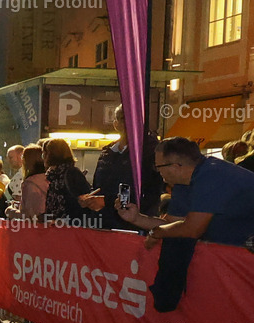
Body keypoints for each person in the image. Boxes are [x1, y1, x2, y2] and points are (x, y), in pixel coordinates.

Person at [125, 137, 254, 248]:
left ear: (175, 166)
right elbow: (172, 224)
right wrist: (136, 218)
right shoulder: (184, 182)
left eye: (158, 167)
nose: (158, 172)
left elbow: (192, 229)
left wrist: (157, 232)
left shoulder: (211, 176)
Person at [89, 105, 164, 226]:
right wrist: (89, 198)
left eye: (134, 118)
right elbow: (99, 186)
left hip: (137, 223)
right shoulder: (107, 152)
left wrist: (106, 201)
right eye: (124, 118)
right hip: (104, 223)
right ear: (115, 124)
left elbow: (147, 189)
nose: (129, 123)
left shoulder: (150, 151)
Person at [42, 138, 95, 222]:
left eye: (45, 152)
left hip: (71, 223)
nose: (43, 156)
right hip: (55, 223)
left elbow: (83, 199)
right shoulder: (51, 175)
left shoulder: (71, 173)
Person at [5, 143, 47, 221]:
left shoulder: (30, 183)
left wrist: (10, 211)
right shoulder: (49, 178)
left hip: (33, 229)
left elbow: (28, 215)